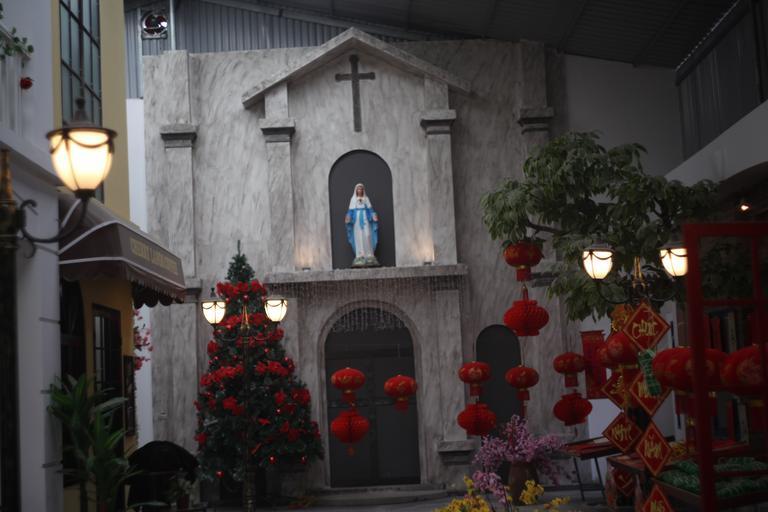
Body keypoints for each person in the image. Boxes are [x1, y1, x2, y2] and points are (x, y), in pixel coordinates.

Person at [345, 183, 380, 267]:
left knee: (367, 235)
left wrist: (373, 215)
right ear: (356, 190)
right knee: (358, 236)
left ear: (363, 190)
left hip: (365, 218)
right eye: (358, 189)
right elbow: (350, 211)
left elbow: (370, 209)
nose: (360, 190)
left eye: (361, 189)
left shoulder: (366, 199)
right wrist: (348, 217)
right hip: (357, 219)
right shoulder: (353, 199)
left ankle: (369, 254)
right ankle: (360, 255)